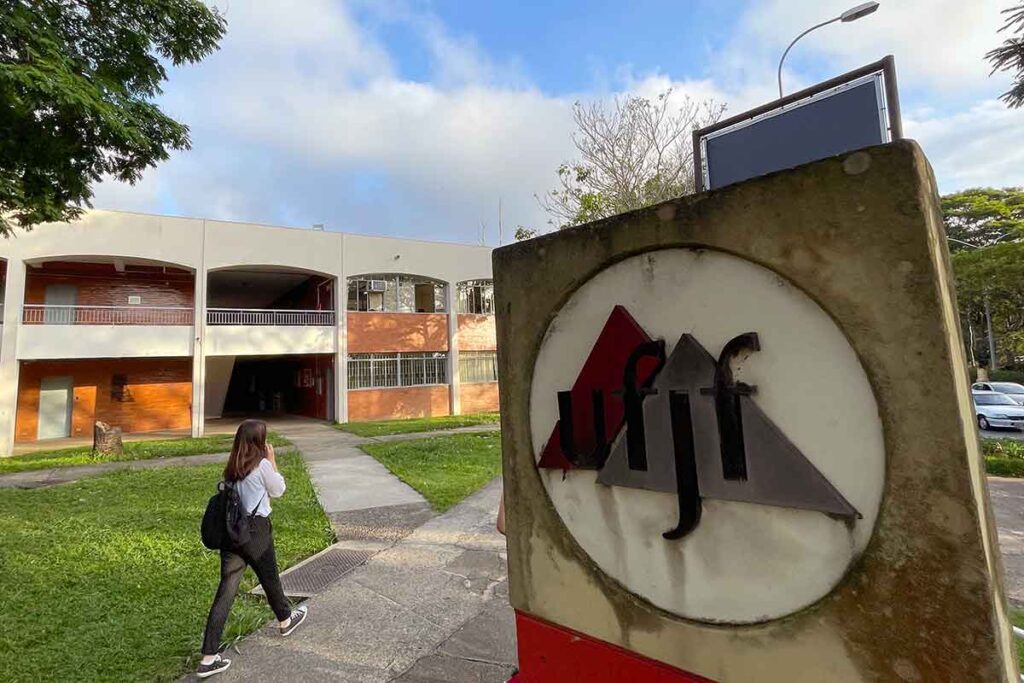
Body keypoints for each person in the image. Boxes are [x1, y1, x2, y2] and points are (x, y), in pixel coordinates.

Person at [196, 420, 308, 679]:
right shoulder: (262, 465)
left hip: (232, 534)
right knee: (270, 579)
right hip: (256, 533)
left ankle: (208, 657)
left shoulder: (232, 467)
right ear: (259, 441)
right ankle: (285, 621)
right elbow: (279, 490)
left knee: (225, 593)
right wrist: (272, 459)